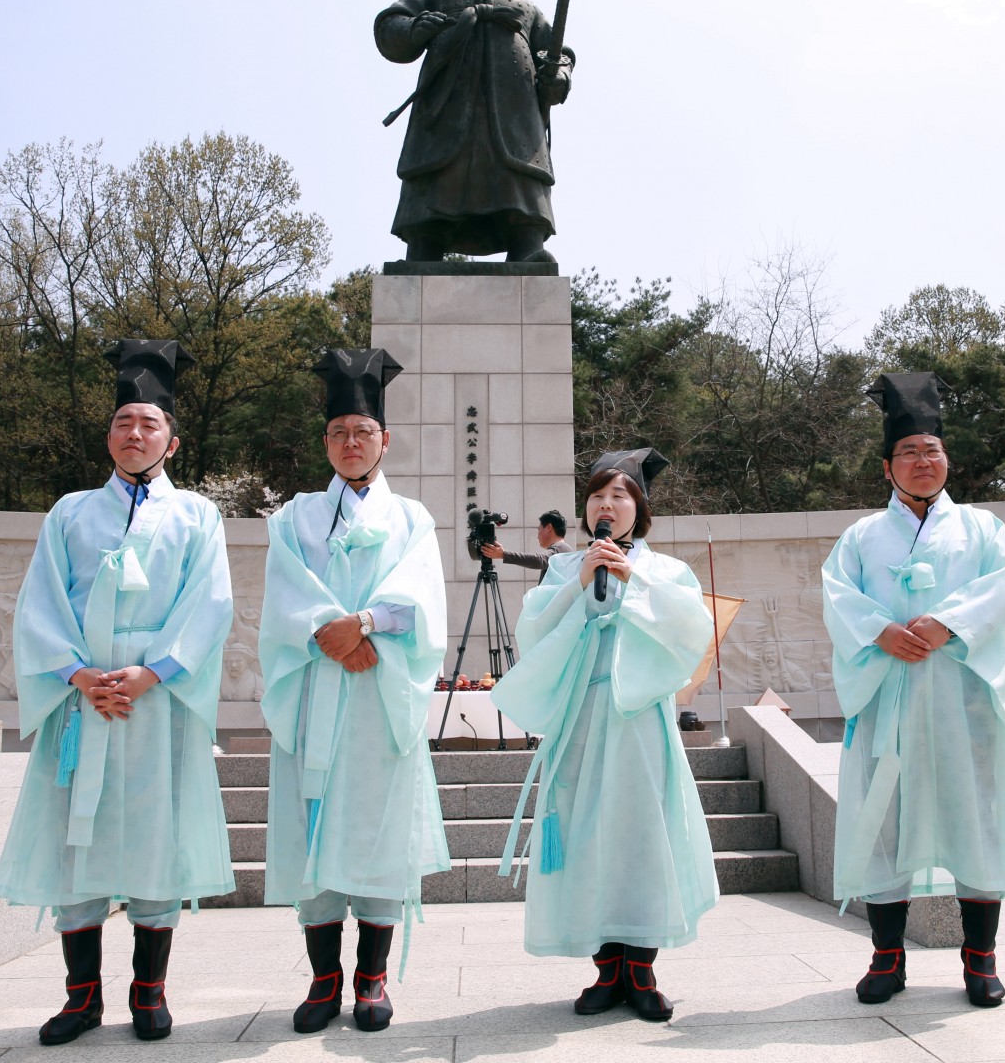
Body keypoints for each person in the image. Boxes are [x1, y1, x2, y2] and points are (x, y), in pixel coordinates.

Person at [0, 340, 235, 1045]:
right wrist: (77, 674)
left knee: (156, 837)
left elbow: (209, 605)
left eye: (148, 423)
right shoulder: (69, 512)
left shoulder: (196, 516)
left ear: (172, 440)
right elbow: (38, 603)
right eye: (125, 421)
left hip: (155, 699)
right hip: (83, 697)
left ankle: (150, 992)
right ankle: (81, 997)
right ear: (109, 436)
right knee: (79, 841)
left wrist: (152, 672)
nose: (136, 433)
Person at [822, 372, 1005, 1010]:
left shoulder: (981, 530)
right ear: (886, 466)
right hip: (889, 696)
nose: (922, 463)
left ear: (948, 460)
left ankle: (980, 962)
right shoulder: (862, 537)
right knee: (884, 818)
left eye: (932, 451)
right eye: (908, 453)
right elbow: (838, 599)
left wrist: (948, 623)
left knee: (975, 814)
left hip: (961, 700)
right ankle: (886, 959)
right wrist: (880, 631)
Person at [257, 347, 449, 1034]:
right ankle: (322, 980)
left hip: (377, 693)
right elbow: (285, 596)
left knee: (376, 830)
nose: (349, 443)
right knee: (314, 834)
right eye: (338, 432)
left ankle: (372, 980)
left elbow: (422, 600)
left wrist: (363, 625)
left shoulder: (411, 519)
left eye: (361, 433)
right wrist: (327, 632)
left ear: (385, 441)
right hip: (316, 689)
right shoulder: (296, 518)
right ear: (325, 442)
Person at [490, 449, 717, 1022]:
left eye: (619, 497)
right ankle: (604, 966)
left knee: (640, 832)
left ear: (637, 509)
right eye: (597, 498)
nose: (606, 506)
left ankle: (641, 966)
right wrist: (581, 582)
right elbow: (535, 632)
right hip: (583, 718)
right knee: (587, 832)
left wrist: (631, 582)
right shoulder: (565, 567)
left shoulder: (664, 570)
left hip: (638, 719)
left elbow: (693, 630)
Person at [374, 0, 574, 264]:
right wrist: (416, 28)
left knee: (517, 187)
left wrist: (558, 75)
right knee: (435, 189)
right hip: (446, 108)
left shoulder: (522, 5)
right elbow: (388, 25)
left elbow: (557, 50)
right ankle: (423, 249)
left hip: (513, 114)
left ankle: (527, 249)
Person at [477, 509, 570, 570]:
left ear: (549, 527)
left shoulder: (560, 548)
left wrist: (503, 554)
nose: (537, 535)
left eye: (539, 529)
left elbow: (539, 560)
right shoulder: (563, 550)